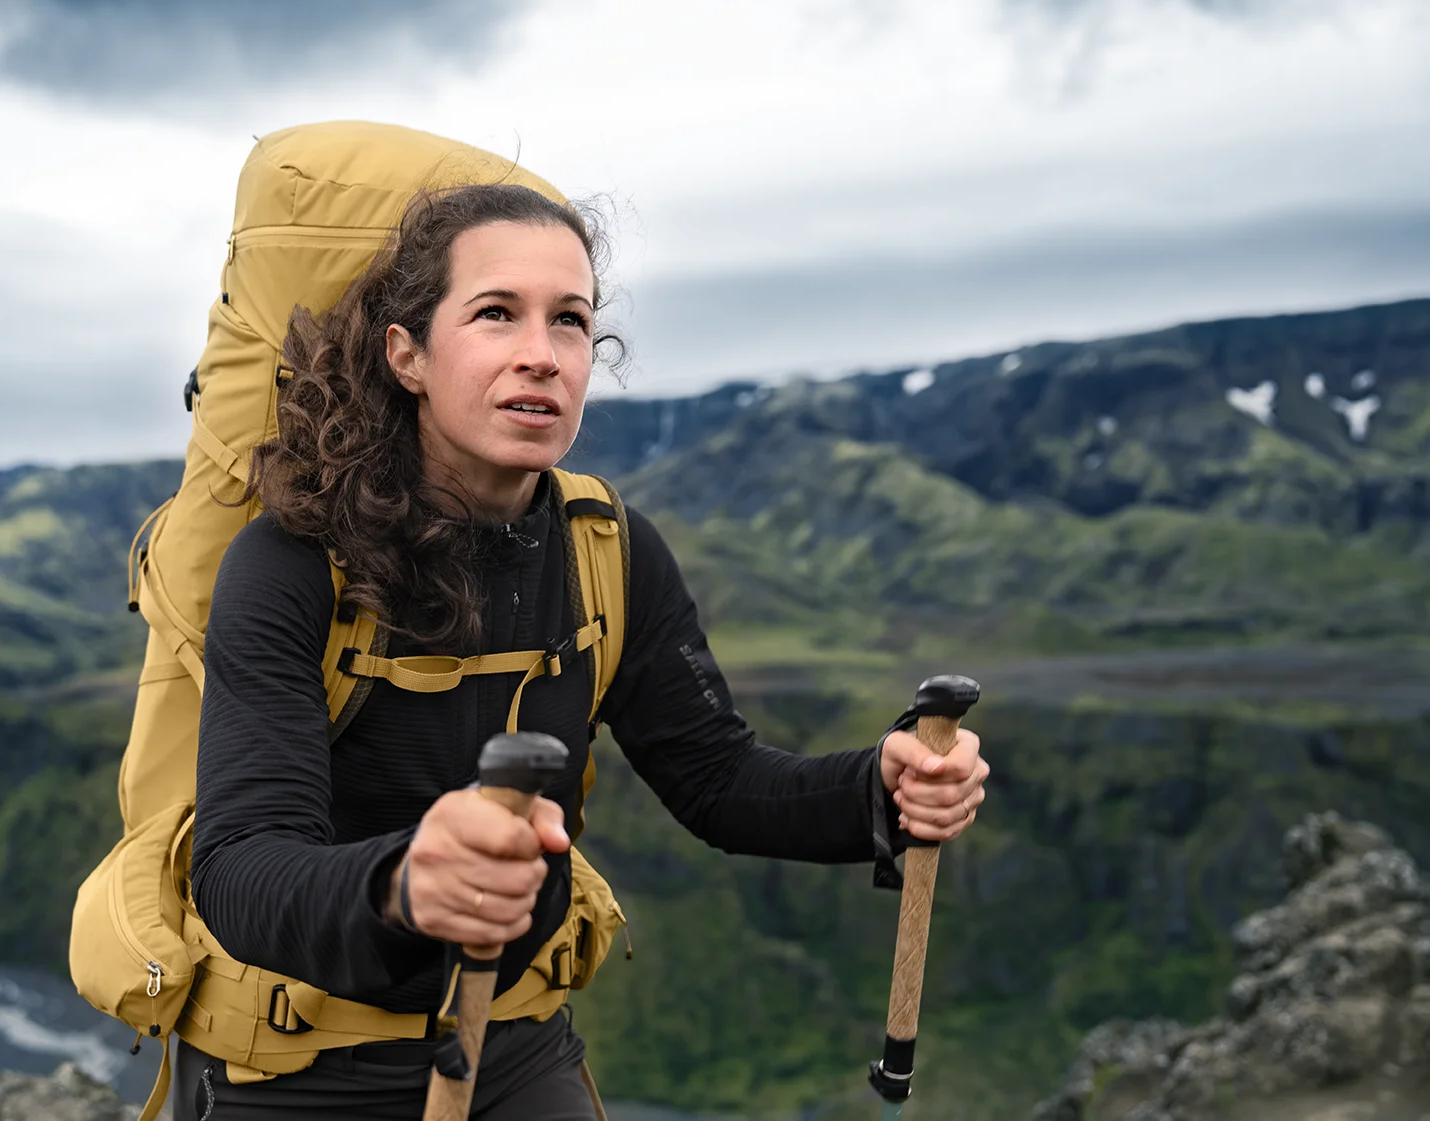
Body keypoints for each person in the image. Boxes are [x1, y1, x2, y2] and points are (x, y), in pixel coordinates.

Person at [185, 183, 991, 1120]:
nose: (542, 354)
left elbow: (719, 780)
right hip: (294, 1069)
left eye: (570, 321)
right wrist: (408, 883)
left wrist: (881, 789)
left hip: (514, 1050)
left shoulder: (607, 550)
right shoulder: (291, 562)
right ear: (406, 353)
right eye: (496, 313)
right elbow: (240, 866)